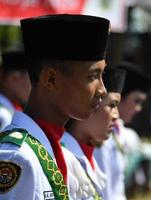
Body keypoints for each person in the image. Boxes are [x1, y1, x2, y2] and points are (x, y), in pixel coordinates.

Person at [0, 14, 110, 200]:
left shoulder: (66, 157)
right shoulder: (17, 158)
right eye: (92, 76)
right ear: (51, 79)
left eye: (102, 75)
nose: (103, 90)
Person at [61, 67, 126, 199]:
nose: (117, 115)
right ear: (92, 104)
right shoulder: (60, 156)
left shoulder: (88, 156)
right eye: (112, 105)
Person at [94, 62, 151, 200]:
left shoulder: (119, 133)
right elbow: (104, 192)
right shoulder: (101, 136)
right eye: (136, 100)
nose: (138, 108)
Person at [0, 50, 31, 130]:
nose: (32, 88)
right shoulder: (4, 115)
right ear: (14, 78)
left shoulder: (9, 111)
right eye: (31, 81)